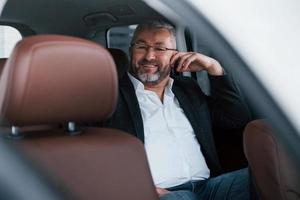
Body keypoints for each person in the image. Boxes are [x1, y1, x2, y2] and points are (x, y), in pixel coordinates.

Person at [103, 21, 252, 200]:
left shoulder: (187, 88)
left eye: (160, 48)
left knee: (260, 175)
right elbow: (94, 157)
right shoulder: (110, 96)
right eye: (141, 46)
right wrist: (137, 186)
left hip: (210, 187)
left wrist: (213, 68)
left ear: (174, 56)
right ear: (131, 50)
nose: (149, 56)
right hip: (161, 194)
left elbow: (236, 118)